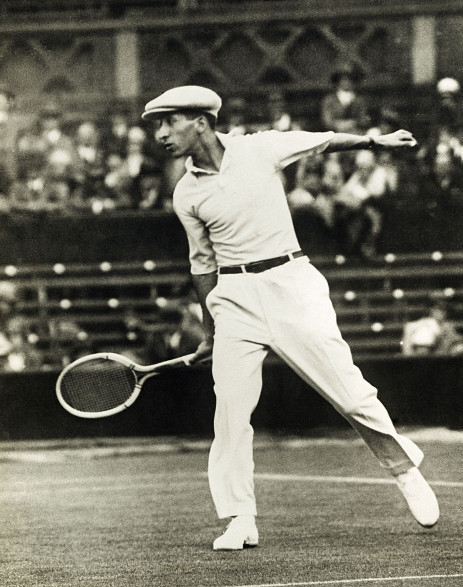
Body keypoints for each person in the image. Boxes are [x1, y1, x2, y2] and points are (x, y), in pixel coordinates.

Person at [141, 85, 439, 551]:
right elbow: (202, 265)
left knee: (350, 392)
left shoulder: (260, 147)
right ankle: (240, 518)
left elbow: (321, 140)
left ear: (200, 121)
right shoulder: (185, 194)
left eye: (168, 122)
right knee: (230, 414)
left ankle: (405, 472)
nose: (160, 134)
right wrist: (212, 329)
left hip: (292, 284)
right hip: (234, 295)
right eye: (157, 125)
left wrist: (376, 142)